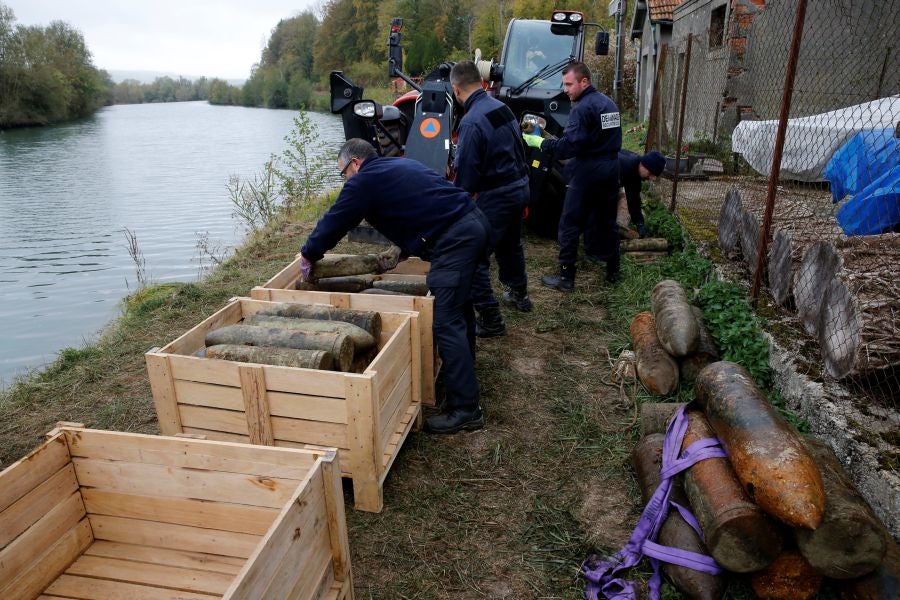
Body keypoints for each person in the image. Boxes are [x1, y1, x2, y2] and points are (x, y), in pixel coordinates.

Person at [300, 138, 491, 434]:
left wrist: (309, 253)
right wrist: (408, 245)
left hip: (457, 239)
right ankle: (465, 376)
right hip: (474, 223)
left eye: (343, 172)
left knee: (446, 321)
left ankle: (466, 409)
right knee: (460, 307)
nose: (345, 180)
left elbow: (336, 221)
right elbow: (417, 204)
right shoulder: (395, 165)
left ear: (356, 163)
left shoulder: (363, 181)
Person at [450, 60, 532, 338]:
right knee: (510, 244)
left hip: (496, 196)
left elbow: (466, 177)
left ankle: (490, 317)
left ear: (455, 89)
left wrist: (454, 208)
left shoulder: (471, 122)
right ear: (479, 81)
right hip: (519, 187)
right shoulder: (502, 108)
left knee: (473, 256)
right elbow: (521, 148)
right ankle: (519, 294)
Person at [523, 61, 622, 291]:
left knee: (569, 223)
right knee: (607, 221)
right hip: (610, 168)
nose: (565, 89)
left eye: (569, 84)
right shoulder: (609, 104)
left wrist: (541, 142)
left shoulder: (582, 108)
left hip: (588, 170)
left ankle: (566, 278)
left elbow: (569, 148)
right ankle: (613, 271)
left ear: (584, 82)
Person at [585, 150, 666, 257]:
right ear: (645, 165)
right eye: (650, 173)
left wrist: (639, 222)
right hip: (589, 176)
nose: (650, 178)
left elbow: (633, 200)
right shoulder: (623, 164)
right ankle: (591, 251)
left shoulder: (636, 173)